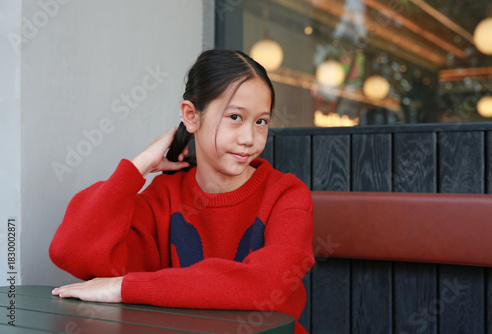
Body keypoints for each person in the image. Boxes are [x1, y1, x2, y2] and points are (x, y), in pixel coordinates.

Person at [49, 49, 314, 334]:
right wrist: (137, 168)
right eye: (235, 116)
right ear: (191, 116)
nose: (250, 138)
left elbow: (266, 285)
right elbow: (70, 251)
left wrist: (125, 287)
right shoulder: (164, 196)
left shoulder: (286, 195)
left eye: (261, 121)